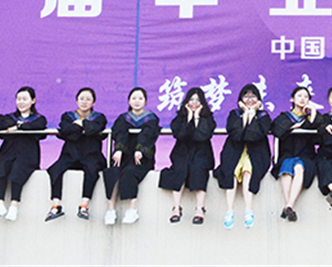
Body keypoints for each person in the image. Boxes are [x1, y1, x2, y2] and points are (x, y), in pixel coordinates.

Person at [213, 84, 272, 229]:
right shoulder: (234, 114)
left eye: (253, 96)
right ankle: (229, 211)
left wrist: (252, 114)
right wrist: (246, 114)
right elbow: (236, 134)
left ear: (259, 100)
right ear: (240, 100)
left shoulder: (263, 116)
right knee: (231, 173)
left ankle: (248, 211)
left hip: (256, 153)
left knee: (248, 173)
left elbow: (254, 135)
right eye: (246, 96)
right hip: (234, 151)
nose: (250, 99)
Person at [45, 87, 107, 222]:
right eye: (81, 99)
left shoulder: (99, 117)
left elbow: (93, 130)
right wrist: (80, 126)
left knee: (92, 171)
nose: (84, 102)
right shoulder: (68, 116)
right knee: (55, 170)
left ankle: (84, 206)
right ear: (76, 101)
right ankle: (56, 205)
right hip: (70, 154)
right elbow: (65, 131)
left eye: (88, 99)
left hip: (91, 155)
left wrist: (80, 124)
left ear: (94, 102)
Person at [103, 87, 160, 225]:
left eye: (140, 98)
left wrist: (140, 149)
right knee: (113, 172)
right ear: (129, 101)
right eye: (134, 98)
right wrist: (118, 149)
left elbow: (148, 135)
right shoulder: (123, 118)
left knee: (130, 172)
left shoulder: (151, 118)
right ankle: (111, 210)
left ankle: (132, 209)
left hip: (142, 158)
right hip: (124, 155)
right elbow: (119, 134)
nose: (137, 101)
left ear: (145, 101)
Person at [159, 87, 216, 225]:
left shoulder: (208, 119)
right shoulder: (180, 118)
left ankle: (200, 209)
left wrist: (196, 118)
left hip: (201, 154)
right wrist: (189, 117)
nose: (194, 102)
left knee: (198, 169)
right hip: (182, 153)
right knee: (180, 169)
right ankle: (176, 208)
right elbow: (180, 135)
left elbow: (202, 136)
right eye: (191, 99)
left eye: (197, 100)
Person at [0, 86, 47, 222]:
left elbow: (38, 126)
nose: (21, 102)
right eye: (18, 99)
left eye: (25, 99)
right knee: (0, 168)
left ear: (33, 101)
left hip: (27, 154)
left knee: (18, 170)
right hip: (8, 152)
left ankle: (14, 205)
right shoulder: (9, 117)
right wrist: (16, 124)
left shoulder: (38, 119)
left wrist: (18, 127)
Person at [271, 86, 319, 222]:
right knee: (286, 170)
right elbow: (277, 130)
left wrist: (313, 113)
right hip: (287, 153)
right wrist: (295, 126)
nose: (303, 99)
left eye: (306, 97)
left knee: (299, 168)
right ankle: (290, 206)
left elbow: (318, 130)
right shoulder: (284, 117)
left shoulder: (310, 117)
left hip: (305, 155)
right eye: (299, 96)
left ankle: (288, 205)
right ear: (292, 99)